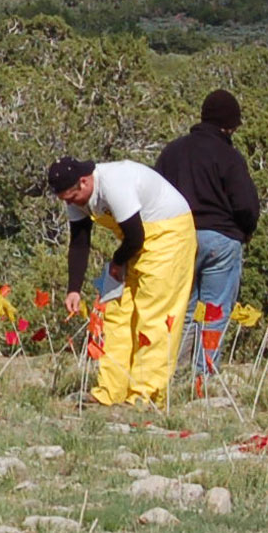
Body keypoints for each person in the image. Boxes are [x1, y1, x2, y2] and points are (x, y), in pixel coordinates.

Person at [51, 156, 197, 406]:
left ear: (84, 182)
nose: (71, 204)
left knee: (154, 316)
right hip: (132, 242)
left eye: (72, 197)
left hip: (168, 237)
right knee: (116, 312)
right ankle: (110, 392)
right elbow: (79, 242)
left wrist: (118, 261)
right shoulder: (74, 196)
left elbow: (136, 236)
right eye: (65, 200)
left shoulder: (115, 183)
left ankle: (146, 396)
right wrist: (73, 289)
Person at [156, 89, 258, 377]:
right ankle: (203, 375)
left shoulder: (172, 151)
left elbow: (156, 195)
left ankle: (172, 372)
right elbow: (246, 204)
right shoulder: (229, 156)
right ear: (229, 125)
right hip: (221, 238)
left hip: (179, 237)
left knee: (183, 311)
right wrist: (245, 231)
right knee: (214, 311)